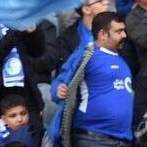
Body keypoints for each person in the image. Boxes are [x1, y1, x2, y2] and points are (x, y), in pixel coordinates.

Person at [49, 11, 134, 147]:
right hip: (93, 138)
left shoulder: (122, 60)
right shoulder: (86, 55)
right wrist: (58, 90)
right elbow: (61, 80)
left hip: (123, 140)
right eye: (119, 31)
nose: (124, 35)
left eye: (124, 30)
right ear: (103, 34)